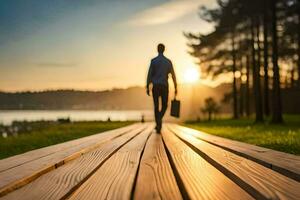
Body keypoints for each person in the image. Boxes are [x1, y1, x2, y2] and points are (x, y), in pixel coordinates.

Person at [146, 43, 177, 133]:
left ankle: (158, 122)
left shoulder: (153, 61)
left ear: (157, 49)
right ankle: (159, 123)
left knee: (156, 106)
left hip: (155, 86)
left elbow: (149, 75)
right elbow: (173, 75)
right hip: (164, 86)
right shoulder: (168, 61)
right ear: (164, 50)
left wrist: (148, 86)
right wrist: (175, 86)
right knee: (165, 105)